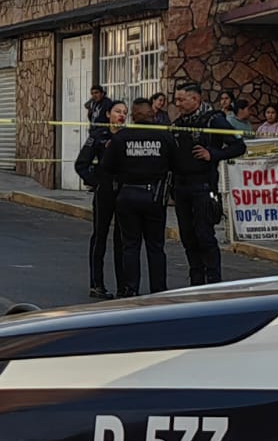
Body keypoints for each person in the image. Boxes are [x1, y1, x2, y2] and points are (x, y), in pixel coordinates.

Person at [170, 82, 247, 286]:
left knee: (204, 235)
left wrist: (213, 154)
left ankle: (213, 280)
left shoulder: (214, 120)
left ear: (195, 99)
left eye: (181, 99)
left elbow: (239, 146)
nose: (177, 103)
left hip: (203, 186)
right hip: (181, 187)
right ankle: (196, 278)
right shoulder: (177, 124)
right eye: (176, 99)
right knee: (187, 236)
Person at [103, 97, 173, 296]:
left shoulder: (121, 137)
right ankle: (158, 290)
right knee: (156, 246)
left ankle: (130, 290)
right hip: (154, 195)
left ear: (133, 116)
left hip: (128, 194)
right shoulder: (164, 137)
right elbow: (176, 164)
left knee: (130, 246)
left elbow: (107, 166)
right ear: (152, 114)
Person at [74, 100, 128, 299]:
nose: (121, 115)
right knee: (100, 236)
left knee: (122, 239)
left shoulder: (128, 136)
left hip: (124, 192)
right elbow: (81, 164)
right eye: (117, 111)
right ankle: (97, 284)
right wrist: (96, 183)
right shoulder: (98, 136)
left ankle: (124, 286)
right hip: (104, 190)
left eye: (124, 112)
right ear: (108, 115)